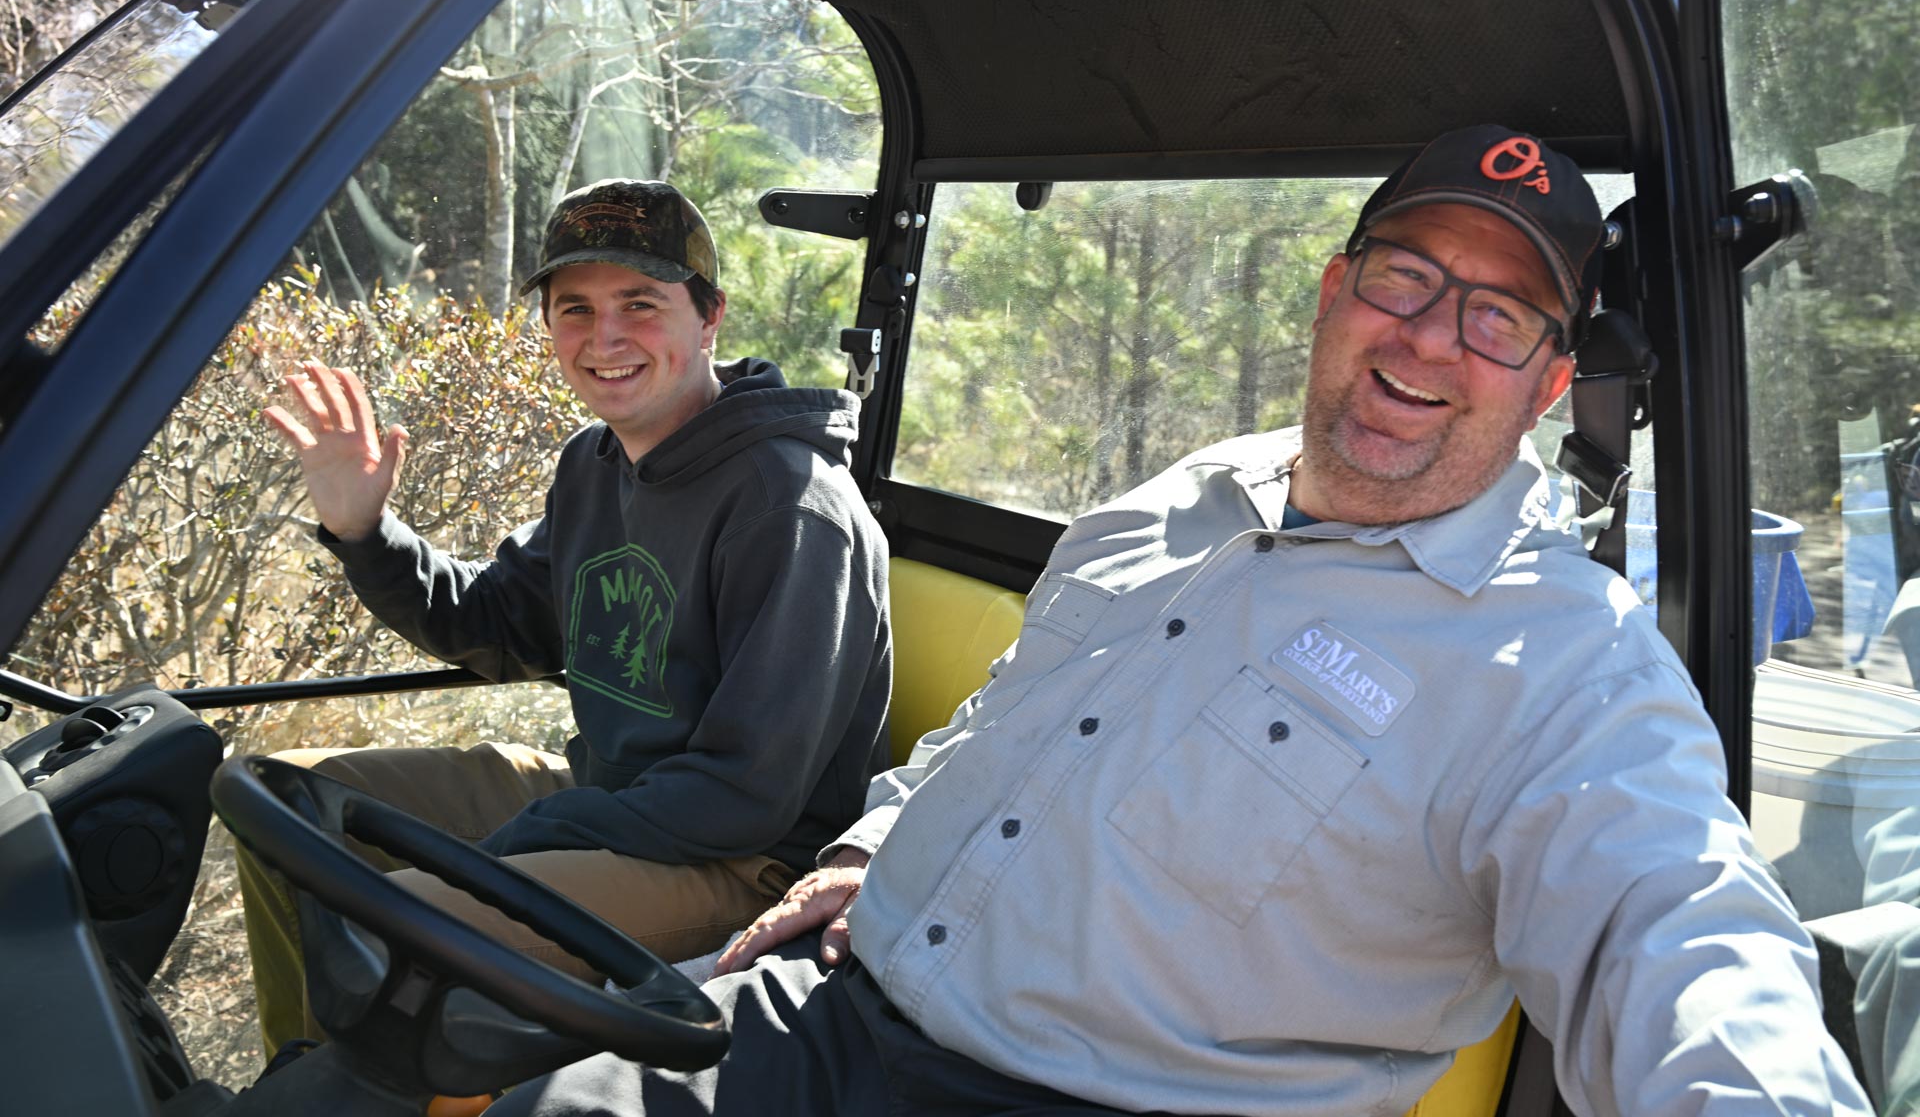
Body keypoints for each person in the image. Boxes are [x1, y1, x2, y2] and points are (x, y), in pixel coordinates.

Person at [494, 128, 1870, 1117]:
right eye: (1403, 279)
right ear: (1337, 292)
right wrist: (879, 839)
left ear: (1549, 380)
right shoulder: (1181, 498)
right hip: (836, 1001)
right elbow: (1006, 722)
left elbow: (1683, 927)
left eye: (1498, 316)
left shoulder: (1563, 664)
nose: (1428, 337)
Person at [240, 178, 893, 1055]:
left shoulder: (790, 503)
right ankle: (302, 1071)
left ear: (710, 318)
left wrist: (505, 847)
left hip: (742, 863)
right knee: (283, 802)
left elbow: (743, 794)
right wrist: (364, 531)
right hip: (612, 802)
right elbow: (500, 624)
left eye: (640, 303)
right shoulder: (594, 462)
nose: (606, 336)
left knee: (393, 921)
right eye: (574, 308)